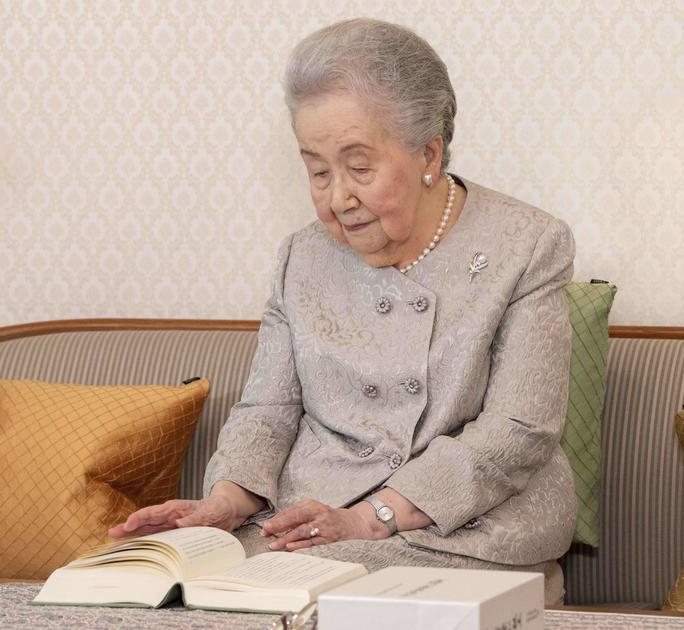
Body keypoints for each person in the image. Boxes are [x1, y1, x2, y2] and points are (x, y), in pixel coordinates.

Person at [110, 17, 577, 604]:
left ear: (429, 154)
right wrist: (225, 502)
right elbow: (267, 410)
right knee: (165, 591)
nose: (337, 197)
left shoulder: (527, 244)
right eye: (317, 171)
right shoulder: (300, 257)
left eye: (359, 169)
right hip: (310, 529)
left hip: (465, 535)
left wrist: (371, 517)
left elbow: (518, 430)